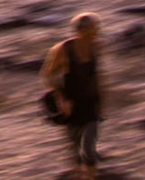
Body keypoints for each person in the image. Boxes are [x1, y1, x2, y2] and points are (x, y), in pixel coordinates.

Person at [43, 12, 104, 179]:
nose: (97, 31)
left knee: (89, 148)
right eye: (94, 28)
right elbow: (48, 74)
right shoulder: (63, 49)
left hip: (91, 103)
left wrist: (102, 99)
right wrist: (60, 99)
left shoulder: (96, 46)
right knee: (75, 149)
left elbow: (96, 75)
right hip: (72, 104)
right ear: (81, 30)